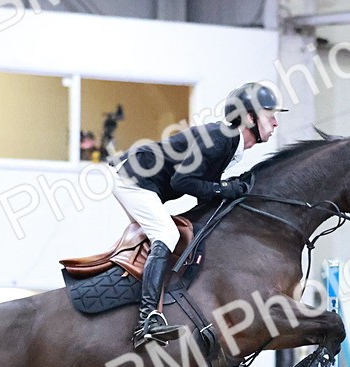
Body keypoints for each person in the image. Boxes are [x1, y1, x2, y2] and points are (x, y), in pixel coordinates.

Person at [110, 82, 285, 347]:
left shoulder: (229, 142)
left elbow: (203, 189)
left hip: (142, 179)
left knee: (168, 237)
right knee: (166, 233)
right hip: (132, 178)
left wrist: (226, 190)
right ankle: (147, 319)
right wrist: (224, 189)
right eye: (269, 116)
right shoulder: (220, 139)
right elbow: (182, 181)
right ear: (249, 117)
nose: (275, 123)